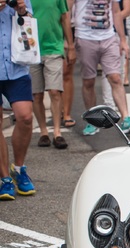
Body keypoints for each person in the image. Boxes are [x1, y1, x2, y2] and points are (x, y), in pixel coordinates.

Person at [72, 0, 130, 136]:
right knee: (88, 81)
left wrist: (122, 40)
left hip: (108, 37)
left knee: (115, 78)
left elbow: (115, 12)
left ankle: (126, 119)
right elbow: (66, 11)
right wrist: (68, 41)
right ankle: (92, 122)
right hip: (85, 37)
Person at [1, 0, 37, 200]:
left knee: (25, 117)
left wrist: (21, 10)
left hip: (17, 64)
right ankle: (5, 179)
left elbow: (30, 22)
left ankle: (19, 168)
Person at [30, 0, 75, 150]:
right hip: (30, 50)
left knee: (55, 91)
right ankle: (43, 132)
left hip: (53, 48)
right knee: (36, 94)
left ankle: (57, 132)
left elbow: (64, 17)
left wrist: (71, 45)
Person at [61, 0, 75, 128]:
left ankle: (66, 113)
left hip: (74, 26)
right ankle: (59, 108)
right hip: (56, 26)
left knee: (66, 72)